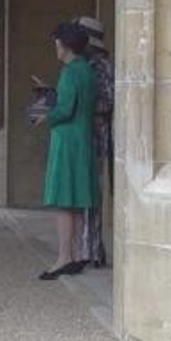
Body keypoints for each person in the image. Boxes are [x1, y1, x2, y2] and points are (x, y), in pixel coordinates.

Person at [34, 23, 100, 280]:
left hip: (67, 140)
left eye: (57, 43)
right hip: (82, 138)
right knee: (76, 200)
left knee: (64, 201)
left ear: (66, 45)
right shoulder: (87, 71)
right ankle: (77, 253)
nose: (55, 48)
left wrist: (45, 115)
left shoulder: (70, 72)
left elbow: (64, 110)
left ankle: (64, 256)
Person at [74, 16, 113, 269]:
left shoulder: (101, 66)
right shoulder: (87, 64)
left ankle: (93, 249)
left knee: (92, 193)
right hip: (88, 133)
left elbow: (109, 101)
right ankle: (87, 247)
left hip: (98, 136)